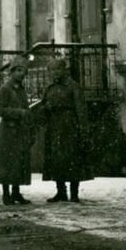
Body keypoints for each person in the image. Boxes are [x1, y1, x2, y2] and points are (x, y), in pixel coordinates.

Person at [41, 59, 92, 202]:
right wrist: (46, 108)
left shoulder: (73, 87)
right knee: (57, 161)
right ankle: (61, 192)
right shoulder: (49, 88)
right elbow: (42, 108)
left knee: (73, 160)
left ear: (65, 70)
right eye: (52, 70)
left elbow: (81, 110)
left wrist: (83, 131)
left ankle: (74, 194)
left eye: (58, 69)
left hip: (70, 127)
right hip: (54, 127)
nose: (55, 73)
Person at [0, 57, 32, 205]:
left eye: (23, 71)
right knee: (7, 164)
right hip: (8, 133)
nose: (21, 74)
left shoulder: (21, 90)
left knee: (19, 163)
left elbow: (26, 109)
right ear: (11, 72)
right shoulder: (5, 89)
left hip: (20, 131)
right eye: (18, 70)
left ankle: (16, 193)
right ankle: (6, 194)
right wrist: (18, 113)